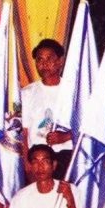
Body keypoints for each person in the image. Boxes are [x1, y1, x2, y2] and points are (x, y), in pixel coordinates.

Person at [21, 39, 72, 175]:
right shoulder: (27, 93)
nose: (44, 64)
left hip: (67, 156)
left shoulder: (74, 91)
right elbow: (24, 132)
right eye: (40, 59)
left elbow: (87, 127)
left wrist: (65, 136)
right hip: (38, 158)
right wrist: (26, 161)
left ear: (60, 61)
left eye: (49, 59)